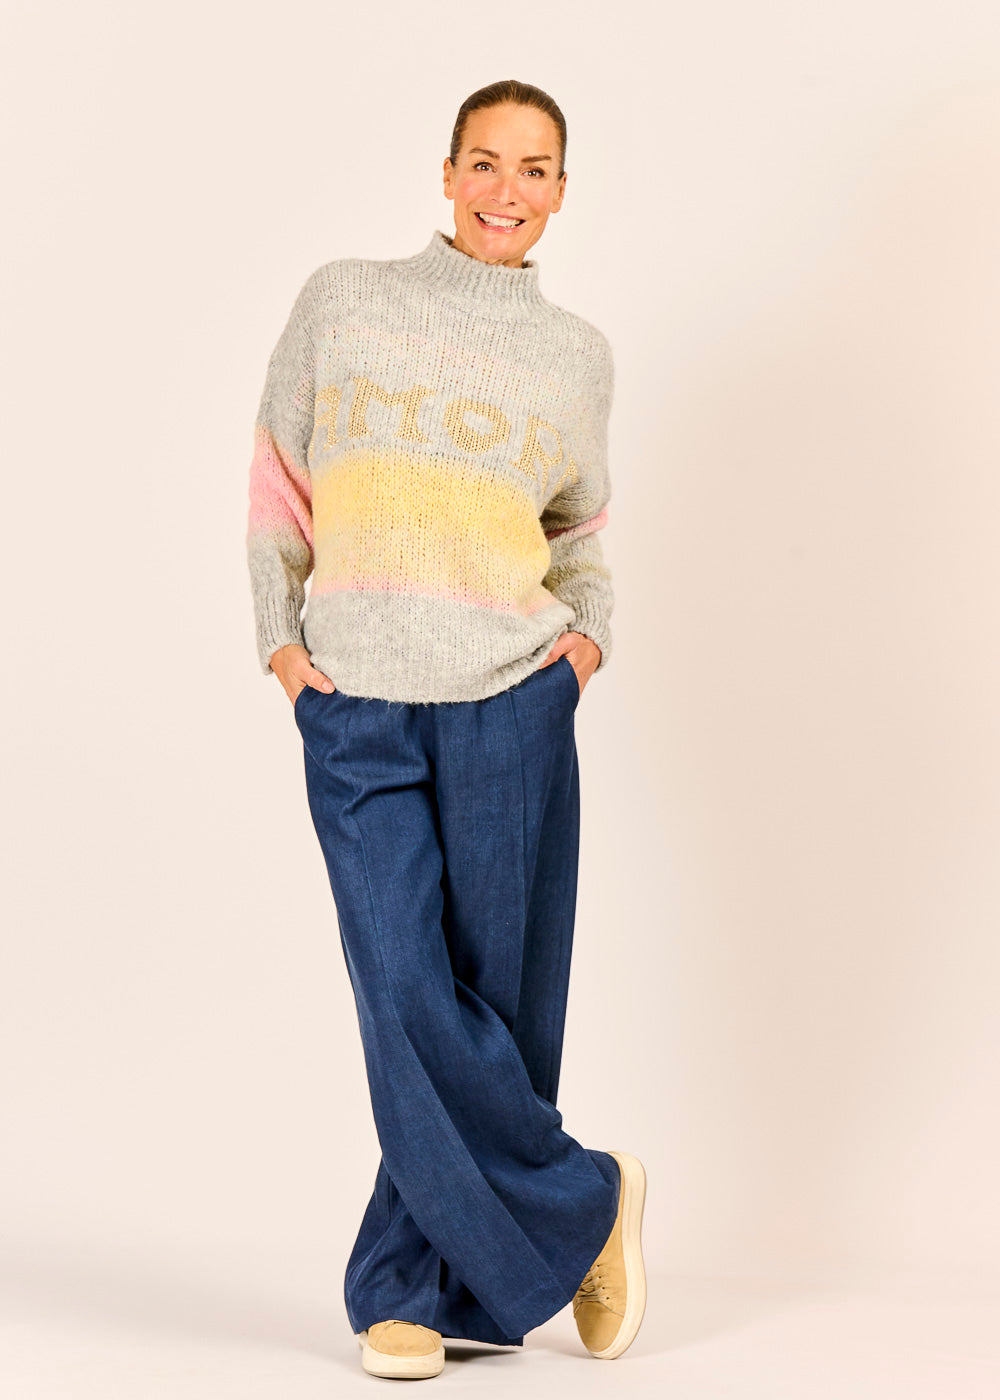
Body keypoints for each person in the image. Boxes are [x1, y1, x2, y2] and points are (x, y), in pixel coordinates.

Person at [246, 78, 647, 1381]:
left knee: (496, 1003)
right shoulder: (343, 300)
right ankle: (586, 1200)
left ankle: (422, 1293)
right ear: (446, 172)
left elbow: (578, 531)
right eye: (484, 162)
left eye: (533, 170)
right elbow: (280, 484)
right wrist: (284, 645)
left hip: (511, 697)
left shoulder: (577, 354)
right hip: (356, 701)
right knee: (406, 991)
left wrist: (584, 646)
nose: (504, 191)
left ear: (561, 194)